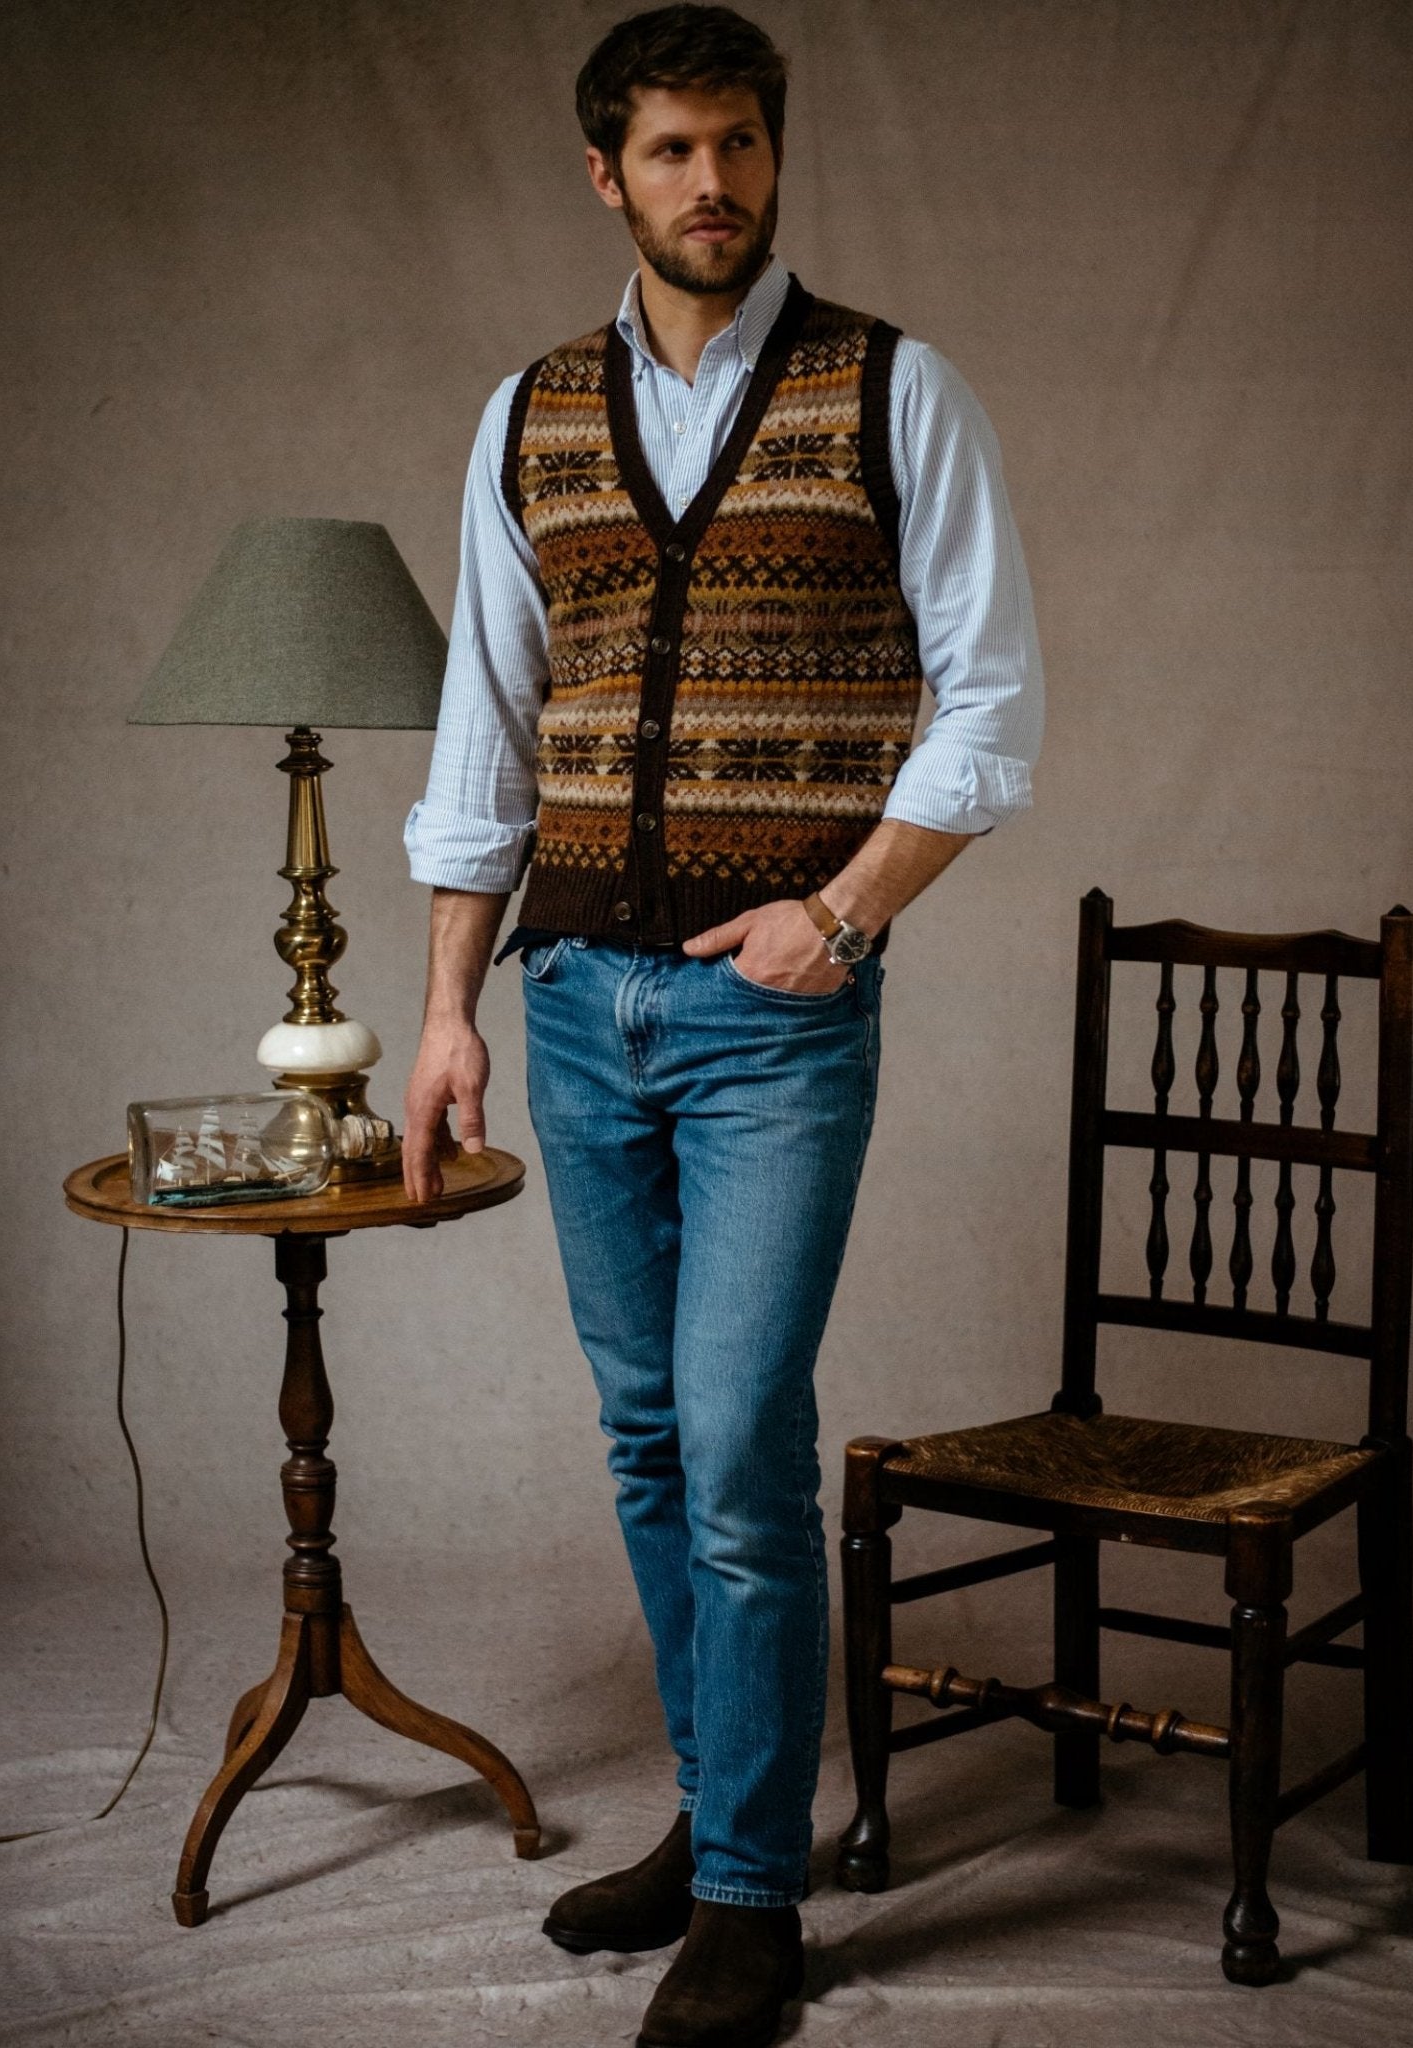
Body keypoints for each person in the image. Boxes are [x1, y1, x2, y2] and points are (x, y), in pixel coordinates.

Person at [402, 7, 1042, 2042]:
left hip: (776, 1018)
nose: (714, 184)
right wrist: (444, 1016)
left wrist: (843, 918)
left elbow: (994, 706)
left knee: (746, 1441)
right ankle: (717, 1814)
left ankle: (755, 1897)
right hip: (577, 1000)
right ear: (610, 172)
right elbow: (484, 740)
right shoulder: (527, 415)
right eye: (673, 150)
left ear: (775, 156)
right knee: (653, 1439)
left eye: (742, 145)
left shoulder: (891, 389)